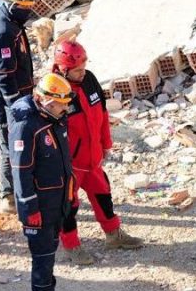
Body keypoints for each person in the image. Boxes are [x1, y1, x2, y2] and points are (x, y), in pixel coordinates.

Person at [50, 41, 143, 265]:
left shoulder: (89, 80)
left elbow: (101, 113)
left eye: (84, 68)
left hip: (93, 160)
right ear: (63, 70)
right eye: (77, 70)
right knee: (68, 206)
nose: (83, 73)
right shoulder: (55, 90)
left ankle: (114, 234)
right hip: (70, 164)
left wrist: (106, 143)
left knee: (103, 195)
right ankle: (71, 245)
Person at [10, 74, 76, 291]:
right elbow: (21, 170)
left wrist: (69, 194)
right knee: (43, 258)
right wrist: (29, 208)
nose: (66, 108)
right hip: (39, 207)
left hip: (56, 201)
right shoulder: (27, 125)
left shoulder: (53, 119)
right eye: (63, 104)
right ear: (48, 102)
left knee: (49, 252)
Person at [0, 0, 37, 213]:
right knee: (10, 146)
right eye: (25, 7)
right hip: (6, 103)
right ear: (14, 5)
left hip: (10, 98)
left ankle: (20, 188)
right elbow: (5, 77)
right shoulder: (4, 31)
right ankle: (8, 196)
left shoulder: (6, 20)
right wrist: (17, 106)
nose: (28, 11)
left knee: (14, 145)